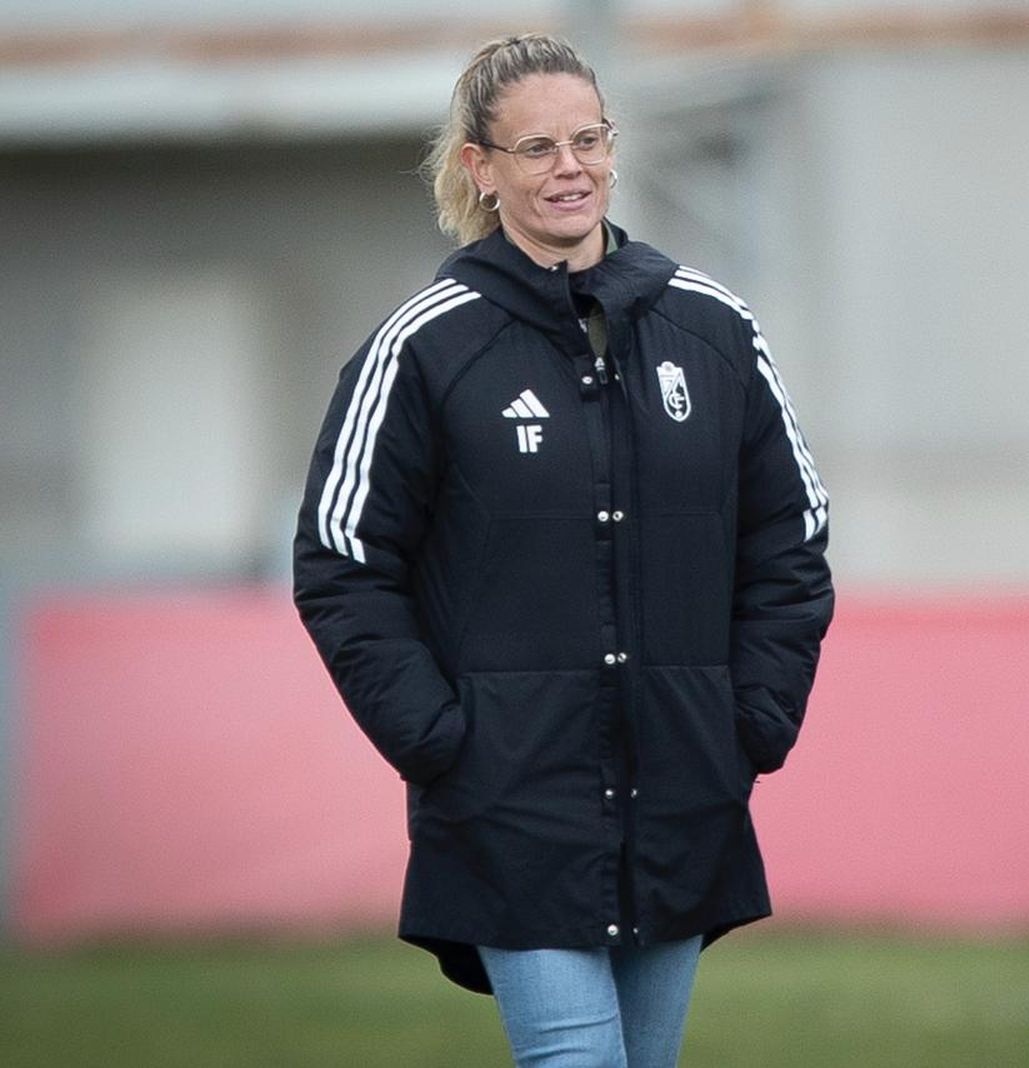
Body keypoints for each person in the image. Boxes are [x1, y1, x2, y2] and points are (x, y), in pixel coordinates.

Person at [292, 33, 833, 1068]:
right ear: (479, 169)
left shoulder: (713, 330)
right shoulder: (424, 346)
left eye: (586, 140)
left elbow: (791, 538)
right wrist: (446, 742)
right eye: (536, 148)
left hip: (681, 788)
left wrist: (747, 721)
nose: (569, 168)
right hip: (509, 801)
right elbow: (340, 561)